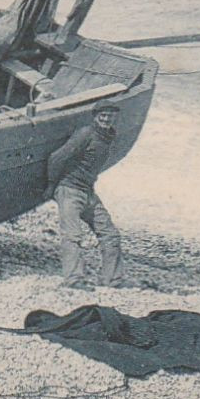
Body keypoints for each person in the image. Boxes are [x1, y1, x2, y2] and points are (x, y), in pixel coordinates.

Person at [46, 99, 125, 289]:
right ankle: (74, 279)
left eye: (110, 116)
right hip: (70, 190)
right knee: (72, 236)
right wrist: (52, 185)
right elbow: (57, 157)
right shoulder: (85, 134)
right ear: (95, 117)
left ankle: (111, 279)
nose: (106, 119)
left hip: (88, 192)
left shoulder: (108, 136)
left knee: (110, 234)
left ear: (115, 118)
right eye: (102, 116)